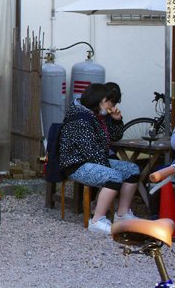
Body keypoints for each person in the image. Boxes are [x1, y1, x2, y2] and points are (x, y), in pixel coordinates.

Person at [58, 83, 141, 235]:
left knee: (132, 170)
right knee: (114, 176)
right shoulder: (80, 118)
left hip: (94, 160)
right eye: (110, 101)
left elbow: (113, 138)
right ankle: (97, 220)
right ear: (100, 100)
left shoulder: (95, 115)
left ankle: (122, 215)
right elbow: (90, 152)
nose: (111, 105)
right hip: (76, 164)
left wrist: (116, 120)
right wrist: (111, 169)